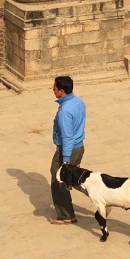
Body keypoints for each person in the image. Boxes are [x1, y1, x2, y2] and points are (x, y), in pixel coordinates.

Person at [49, 75, 86, 224]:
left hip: (68, 150)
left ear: (61, 91)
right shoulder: (78, 102)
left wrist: (65, 160)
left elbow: (67, 136)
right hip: (79, 147)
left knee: (58, 181)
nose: (53, 89)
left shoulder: (65, 110)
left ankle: (66, 215)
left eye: (55, 88)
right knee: (72, 178)